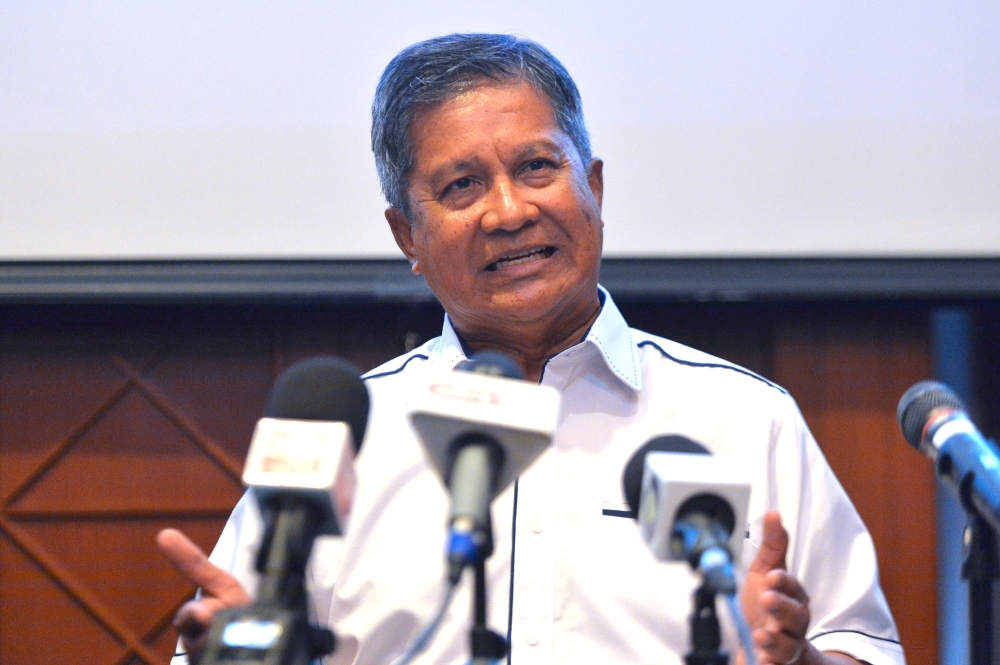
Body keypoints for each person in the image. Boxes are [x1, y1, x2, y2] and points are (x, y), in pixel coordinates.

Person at [158, 34, 905, 665]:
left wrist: (797, 657)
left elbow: (861, 649)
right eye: (462, 185)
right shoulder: (342, 436)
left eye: (537, 167)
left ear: (595, 188)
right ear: (406, 235)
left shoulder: (744, 417)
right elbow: (231, 637)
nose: (510, 211)